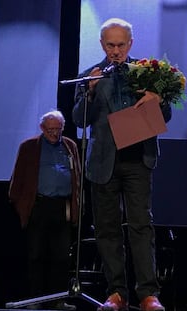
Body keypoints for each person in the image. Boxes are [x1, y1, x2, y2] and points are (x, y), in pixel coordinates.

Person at [72, 18, 171, 311]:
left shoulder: (146, 72)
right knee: (107, 229)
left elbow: (165, 116)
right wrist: (89, 91)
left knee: (141, 226)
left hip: (138, 160)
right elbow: (79, 120)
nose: (115, 50)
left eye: (120, 44)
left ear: (130, 44)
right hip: (104, 162)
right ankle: (116, 292)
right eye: (110, 45)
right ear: (102, 44)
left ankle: (148, 294)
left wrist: (157, 100)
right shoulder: (90, 75)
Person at [9, 110, 81, 310]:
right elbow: (17, 180)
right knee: (36, 255)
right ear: (42, 128)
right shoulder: (29, 147)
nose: (54, 134)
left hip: (62, 206)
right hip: (39, 206)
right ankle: (36, 299)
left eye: (58, 129)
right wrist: (21, 204)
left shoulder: (70, 146)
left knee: (61, 257)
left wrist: (76, 205)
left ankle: (58, 300)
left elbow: (78, 177)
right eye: (50, 130)